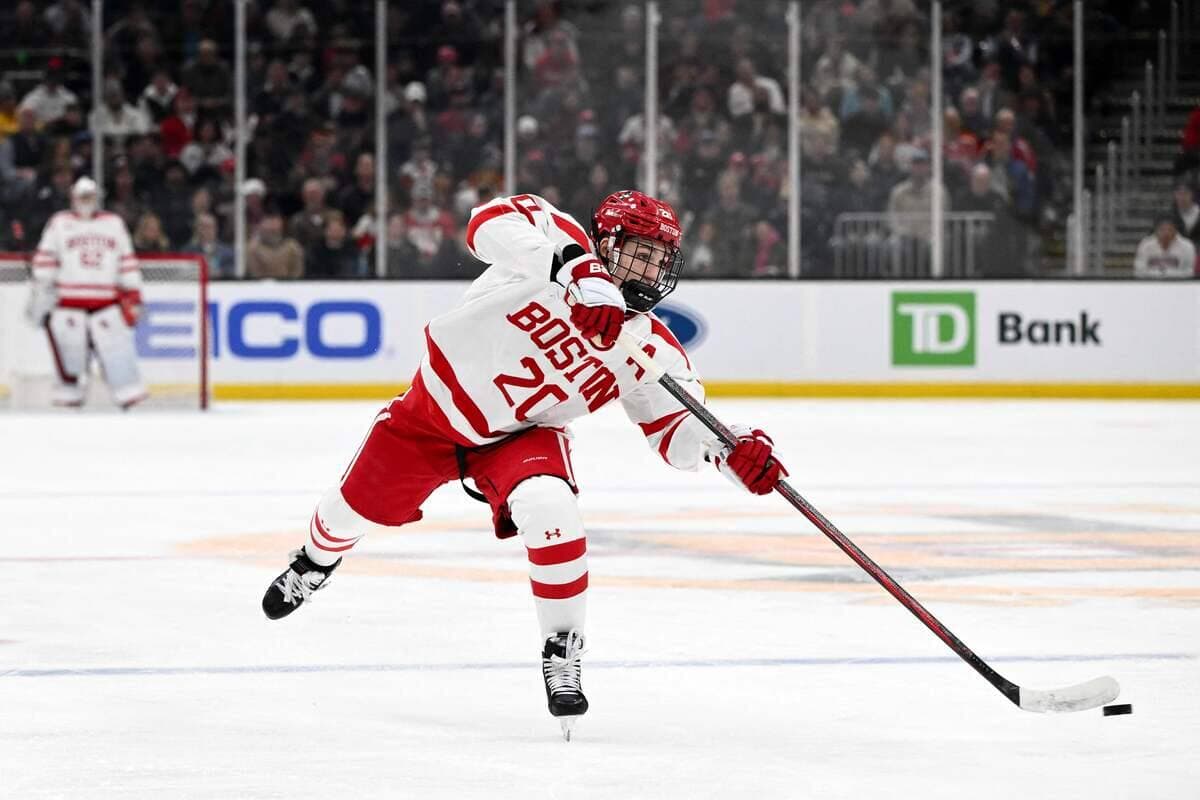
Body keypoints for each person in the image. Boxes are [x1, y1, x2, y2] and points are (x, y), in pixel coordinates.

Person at [260, 190, 788, 738]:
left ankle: (562, 647)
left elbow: (676, 434)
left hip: (520, 437)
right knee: (346, 513)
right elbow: (485, 223)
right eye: (641, 252)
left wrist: (730, 450)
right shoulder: (558, 242)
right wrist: (576, 270)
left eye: (661, 259)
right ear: (607, 243)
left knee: (549, 504)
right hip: (431, 415)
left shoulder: (654, 349)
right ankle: (315, 562)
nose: (652, 270)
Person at [26, 177, 147, 408]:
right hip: (68, 301)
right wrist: (42, 287)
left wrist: (133, 292)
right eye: (82, 197)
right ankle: (68, 396)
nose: (86, 201)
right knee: (69, 354)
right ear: (73, 198)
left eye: (90, 197)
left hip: (106, 301)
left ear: (98, 197)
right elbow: (46, 258)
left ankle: (128, 395)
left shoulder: (114, 224)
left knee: (117, 352)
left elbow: (126, 261)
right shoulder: (59, 223)